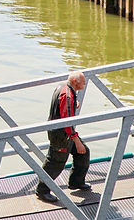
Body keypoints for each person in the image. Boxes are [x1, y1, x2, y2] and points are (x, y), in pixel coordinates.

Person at [36, 71, 91, 203]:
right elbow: (67, 121)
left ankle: (76, 182)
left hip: (63, 133)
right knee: (55, 163)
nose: (84, 84)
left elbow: (65, 107)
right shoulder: (68, 97)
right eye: (82, 82)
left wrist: (74, 103)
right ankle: (42, 191)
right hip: (61, 135)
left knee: (83, 153)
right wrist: (76, 140)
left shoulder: (63, 87)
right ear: (74, 82)